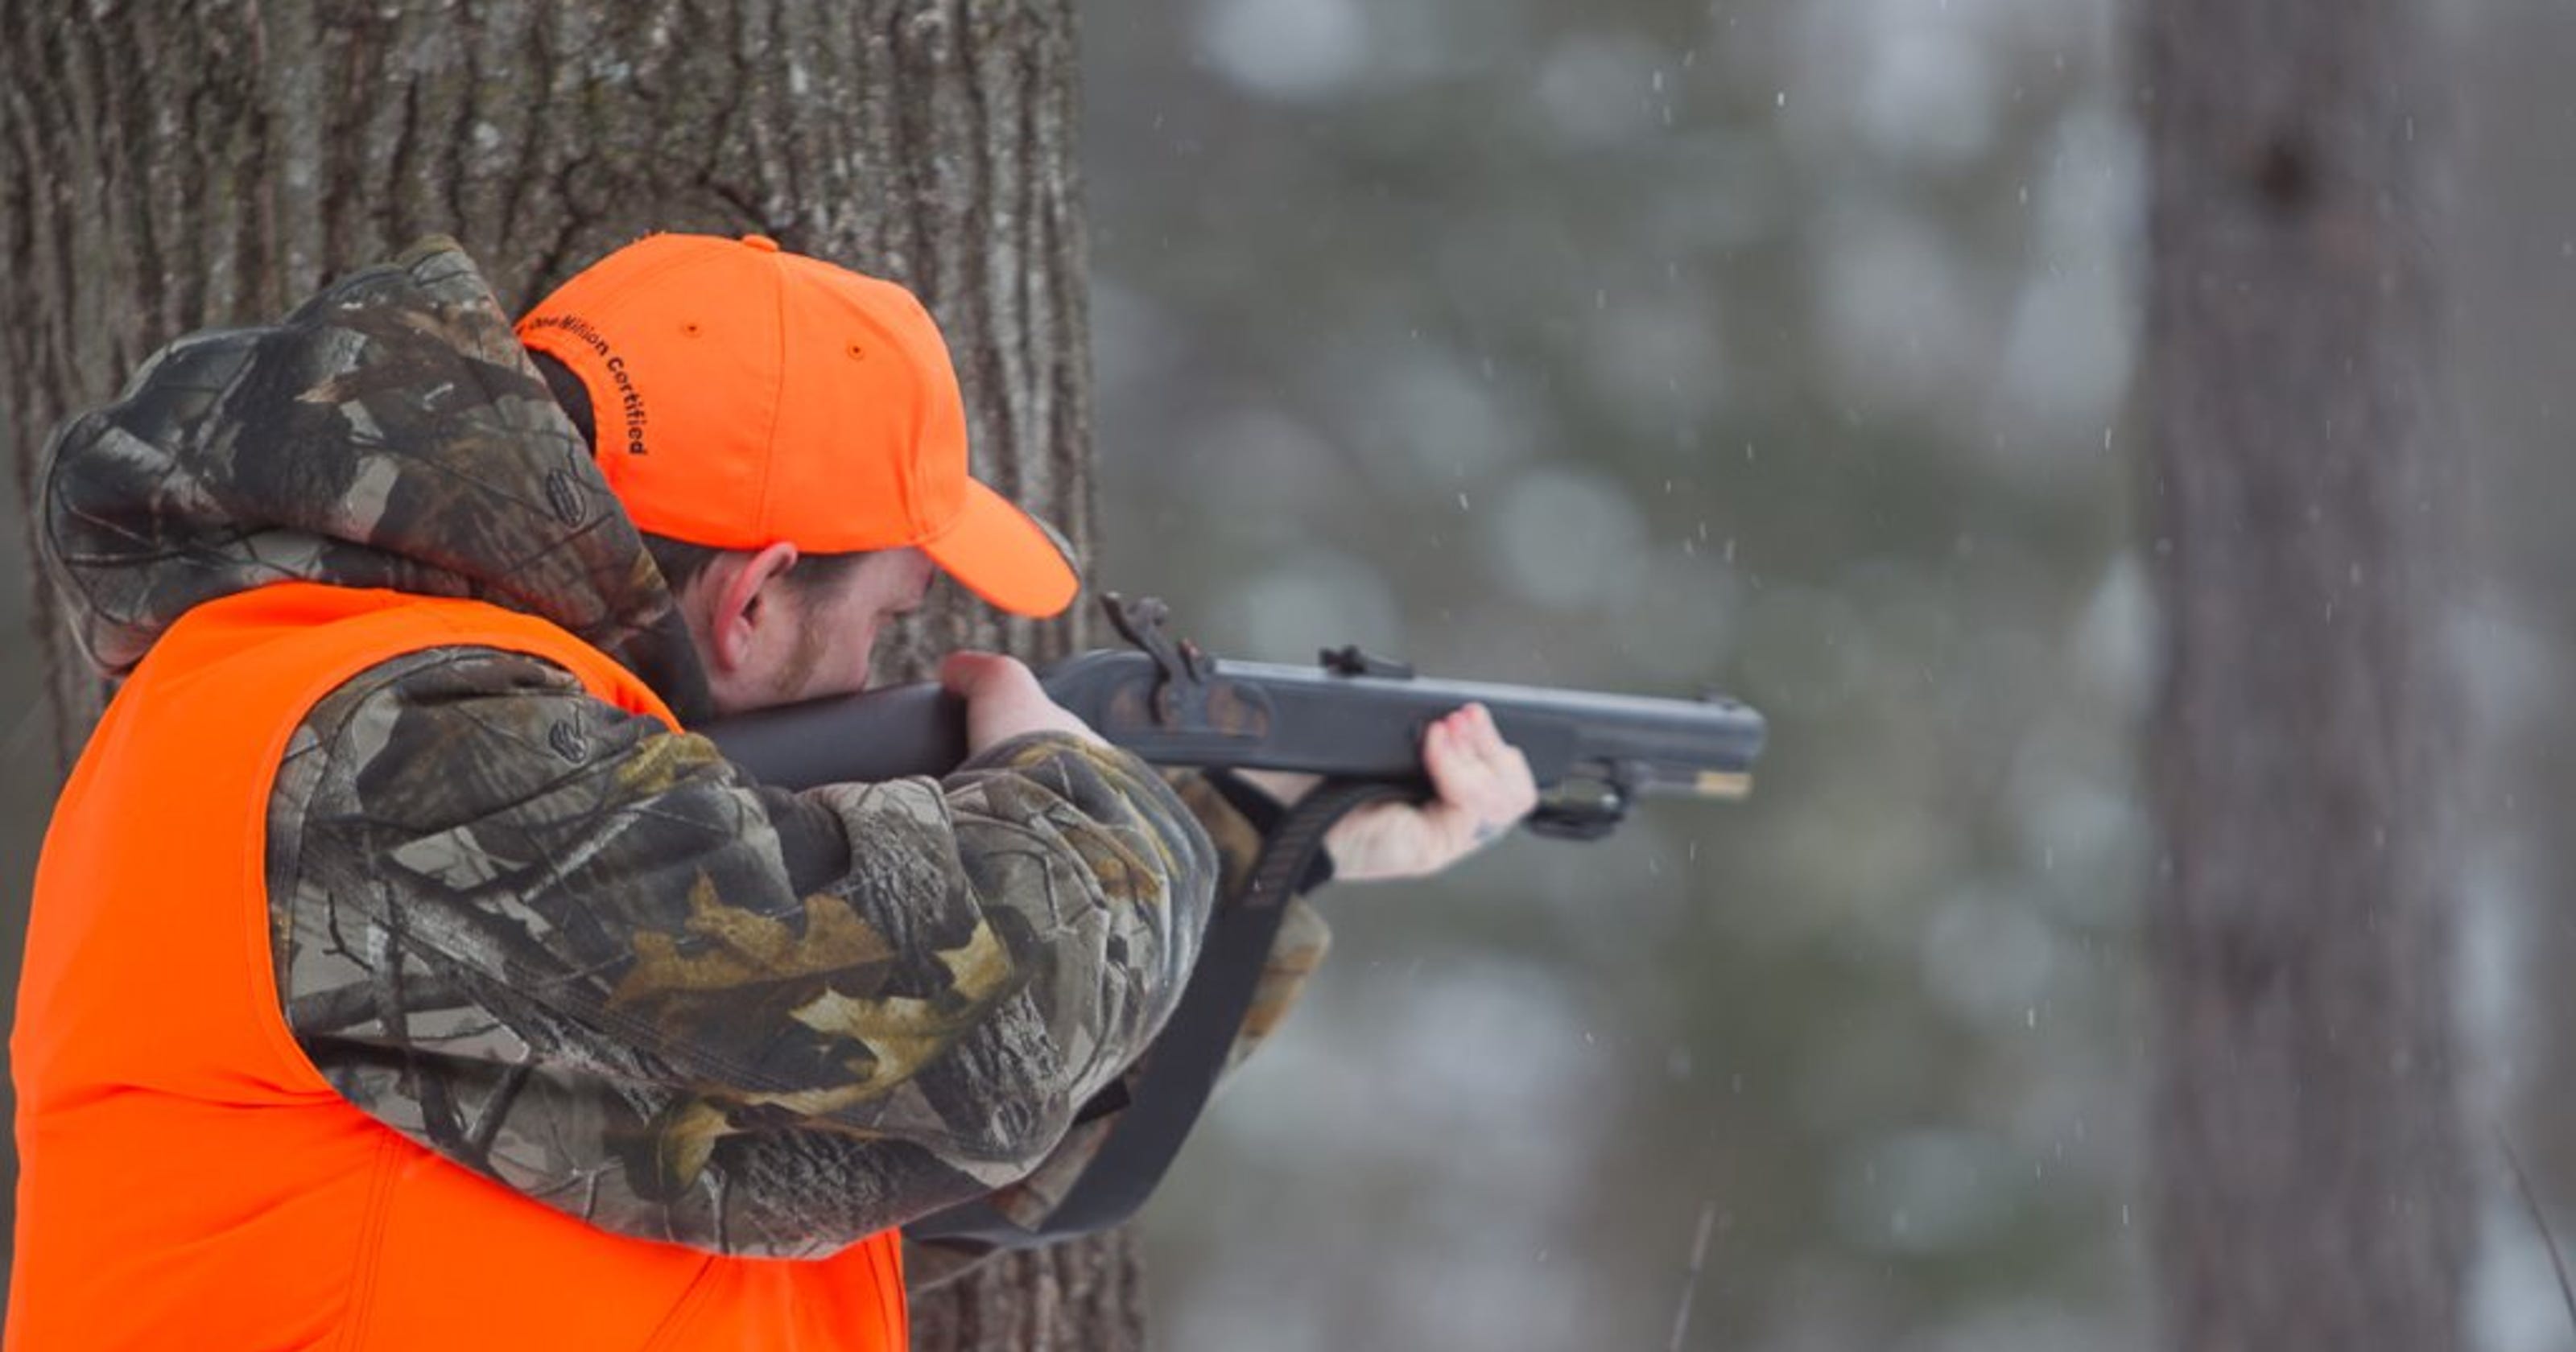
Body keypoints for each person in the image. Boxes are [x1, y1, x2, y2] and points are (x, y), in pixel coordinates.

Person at [8, 233, 1537, 1350]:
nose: (911, 667)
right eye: (891, 625)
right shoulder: (383, 748)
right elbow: (976, 1038)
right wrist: (1070, 800)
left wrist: (1258, 838)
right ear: (752, 600)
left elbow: (904, 1151)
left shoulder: (364, 731)